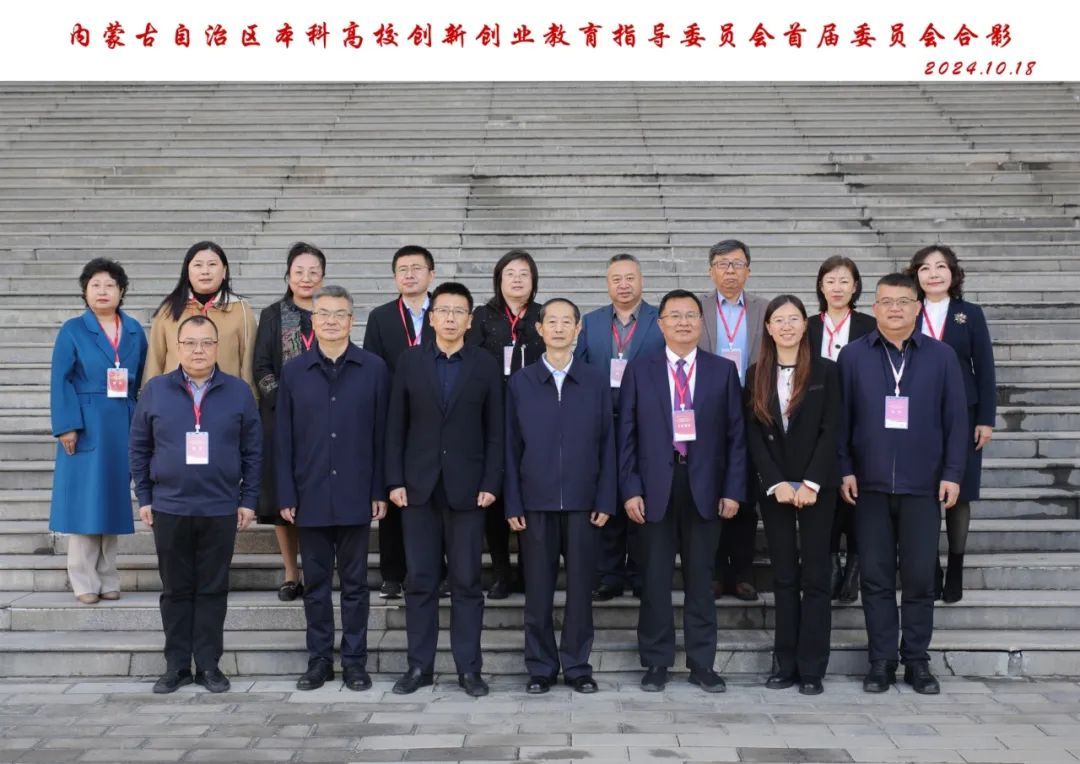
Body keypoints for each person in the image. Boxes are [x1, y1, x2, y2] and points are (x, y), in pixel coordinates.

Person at [837, 273, 968, 695]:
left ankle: (916, 661)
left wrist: (952, 473)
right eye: (887, 302)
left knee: (919, 579)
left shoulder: (941, 356)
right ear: (874, 308)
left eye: (904, 302)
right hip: (869, 486)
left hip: (923, 486)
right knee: (875, 578)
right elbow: (841, 420)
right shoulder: (853, 356)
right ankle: (881, 661)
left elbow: (956, 420)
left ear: (918, 307)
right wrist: (844, 468)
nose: (895, 309)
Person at [619, 289, 747, 693]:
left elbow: (736, 437)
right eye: (674, 316)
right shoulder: (640, 370)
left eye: (691, 315)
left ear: (701, 322)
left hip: (705, 486)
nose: (683, 322)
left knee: (701, 580)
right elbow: (626, 435)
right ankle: (656, 662)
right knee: (655, 579)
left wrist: (733, 490)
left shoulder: (722, 371)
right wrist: (630, 488)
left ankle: (702, 663)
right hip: (654, 486)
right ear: (660, 324)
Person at [129, 315, 262, 695]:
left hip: (220, 507)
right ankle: (176, 666)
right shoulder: (156, 390)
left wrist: (248, 499)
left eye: (206, 342)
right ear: (177, 347)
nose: (198, 350)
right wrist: (145, 497)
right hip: (170, 506)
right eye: (189, 342)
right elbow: (139, 447)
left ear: (217, 347)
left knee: (213, 589)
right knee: (175, 590)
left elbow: (253, 451)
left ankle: (208, 665)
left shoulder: (238, 392)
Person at [387, 282, 504, 698]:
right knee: (420, 580)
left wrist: (491, 482)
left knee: (467, 581)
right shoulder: (409, 361)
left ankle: (469, 669)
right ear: (431, 318)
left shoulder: (485, 364)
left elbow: (496, 429)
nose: (451, 318)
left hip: (469, 490)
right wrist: (394, 480)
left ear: (470, 320)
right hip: (417, 488)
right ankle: (418, 666)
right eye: (444, 311)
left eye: (459, 312)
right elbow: (395, 424)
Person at [276, 285, 390, 692]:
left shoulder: (374, 368)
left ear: (351, 320)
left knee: (356, 585)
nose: (330, 321)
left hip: (357, 493)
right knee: (317, 585)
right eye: (323, 313)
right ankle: (320, 660)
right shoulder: (294, 371)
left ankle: (355, 662)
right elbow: (283, 438)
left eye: (339, 314)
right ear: (312, 320)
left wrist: (379, 489)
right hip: (309, 494)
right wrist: (286, 494)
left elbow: (383, 435)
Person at [505, 298, 616, 695]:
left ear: (578, 330)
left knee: (581, 592)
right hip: (535, 503)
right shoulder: (521, 382)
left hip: (584, 505)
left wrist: (606, 499)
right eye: (551, 322)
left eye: (566, 322)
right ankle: (540, 667)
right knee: (537, 592)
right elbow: (510, 447)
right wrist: (513, 501)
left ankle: (577, 666)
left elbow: (608, 444)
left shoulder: (595, 380)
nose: (558, 328)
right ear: (539, 329)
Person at [746, 295, 841, 696]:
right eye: (779, 320)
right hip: (776, 490)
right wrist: (777, 482)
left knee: (816, 577)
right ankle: (785, 664)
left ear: (806, 324)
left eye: (793, 319)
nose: (786, 326)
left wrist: (812, 482)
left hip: (818, 488)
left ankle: (812, 667)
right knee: (784, 577)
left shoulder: (827, 371)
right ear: (768, 328)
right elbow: (753, 434)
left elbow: (832, 429)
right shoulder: (755, 374)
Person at [50, 258, 148, 604]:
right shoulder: (73, 330)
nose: (102, 291)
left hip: (123, 421)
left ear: (121, 291)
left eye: (110, 285)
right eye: (95, 285)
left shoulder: (134, 330)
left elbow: (144, 377)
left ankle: (108, 577)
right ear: (85, 292)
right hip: (86, 424)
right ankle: (83, 580)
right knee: (86, 502)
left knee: (113, 500)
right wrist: (67, 426)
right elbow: (60, 379)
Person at [907, 245, 996, 604]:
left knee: (959, 491)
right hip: (917, 414)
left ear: (953, 273)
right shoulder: (908, 310)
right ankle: (930, 566)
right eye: (925, 268)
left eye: (941, 266)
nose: (933, 274)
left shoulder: (968, 314)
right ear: (915, 276)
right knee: (923, 491)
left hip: (964, 412)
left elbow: (985, 367)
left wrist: (986, 418)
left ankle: (955, 566)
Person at [575, 253, 665, 602]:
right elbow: (581, 369)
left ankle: (641, 574)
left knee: (642, 494)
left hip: (647, 422)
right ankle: (609, 575)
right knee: (608, 494)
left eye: (630, 278)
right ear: (607, 283)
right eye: (616, 279)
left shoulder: (660, 320)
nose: (624, 285)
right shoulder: (591, 322)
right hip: (604, 421)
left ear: (641, 281)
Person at [465, 249, 544, 599]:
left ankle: (529, 571)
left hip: (536, 416)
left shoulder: (543, 316)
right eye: (510, 273)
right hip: (491, 415)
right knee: (494, 496)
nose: (517, 279)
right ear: (499, 279)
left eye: (524, 274)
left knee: (530, 492)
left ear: (533, 280)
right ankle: (501, 572)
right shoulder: (482, 316)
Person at [362, 245, 437, 601]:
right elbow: (373, 366)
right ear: (394, 277)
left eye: (416, 268)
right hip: (394, 414)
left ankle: (436, 570)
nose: (409, 274)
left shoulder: (446, 311)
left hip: (437, 416)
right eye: (402, 269)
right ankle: (392, 573)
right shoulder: (381, 317)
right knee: (393, 491)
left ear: (431, 275)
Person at [253, 242, 325, 603]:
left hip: (326, 422)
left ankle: (316, 570)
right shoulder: (273, 315)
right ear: (287, 275)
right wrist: (285, 404)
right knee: (285, 498)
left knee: (317, 496)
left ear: (323, 276)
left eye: (313, 272)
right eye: (299, 271)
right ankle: (291, 573)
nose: (306, 278)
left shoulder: (329, 312)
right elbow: (261, 366)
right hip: (281, 420)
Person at [698, 239, 768, 602]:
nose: (730, 271)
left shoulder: (764, 309)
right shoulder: (696, 308)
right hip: (707, 404)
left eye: (737, 264)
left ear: (748, 271)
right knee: (710, 485)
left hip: (751, 403)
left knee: (744, 488)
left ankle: (742, 572)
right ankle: (713, 571)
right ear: (710, 271)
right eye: (722, 264)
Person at [806, 255, 876, 604]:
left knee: (858, 494)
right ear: (821, 286)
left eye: (844, 281)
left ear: (855, 287)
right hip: (818, 421)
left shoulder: (869, 325)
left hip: (862, 418)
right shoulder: (807, 326)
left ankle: (854, 569)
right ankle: (831, 563)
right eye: (830, 281)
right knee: (826, 491)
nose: (837, 287)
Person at [143, 241, 258, 395]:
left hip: (226, 398)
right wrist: (148, 398)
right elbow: (155, 361)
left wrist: (250, 399)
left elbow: (248, 362)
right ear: (187, 271)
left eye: (212, 264)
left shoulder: (241, 310)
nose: (205, 271)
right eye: (198, 265)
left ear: (224, 271)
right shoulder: (168, 310)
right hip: (174, 399)